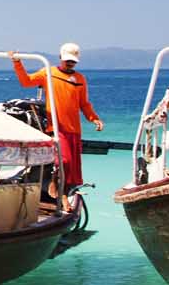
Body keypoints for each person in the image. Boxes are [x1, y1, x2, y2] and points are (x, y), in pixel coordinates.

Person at [10, 43, 103, 197]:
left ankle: (66, 195)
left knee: (73, 170)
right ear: (60, 58)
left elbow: (84, 104)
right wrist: (17, 63)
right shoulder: (48, 72)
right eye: (67, 60)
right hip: (57, 128)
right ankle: (55, 186)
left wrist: (94, 119)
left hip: (74, 129)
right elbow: (26, 82)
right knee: (63, 161)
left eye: (73, 61)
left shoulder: (80, 79)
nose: (70, 63)